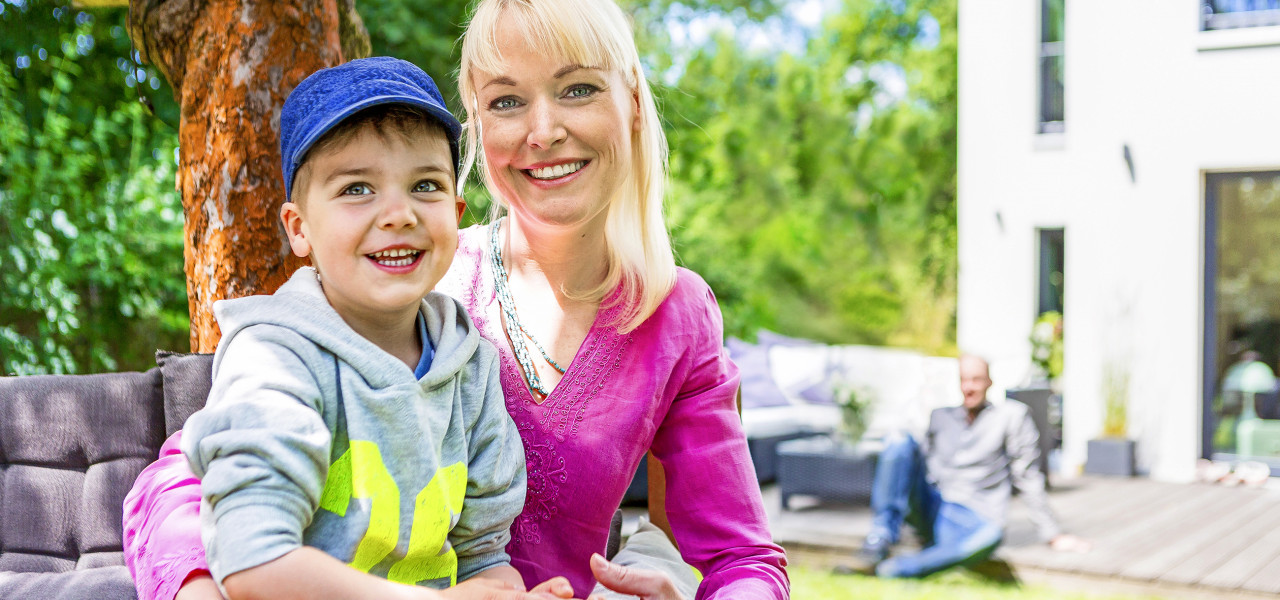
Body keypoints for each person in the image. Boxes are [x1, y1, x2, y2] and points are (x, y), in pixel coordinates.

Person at [122, 1, 790, 599]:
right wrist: (197, 583)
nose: (544, 129)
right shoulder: (409, 279)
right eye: (506, 102)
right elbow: (188, 477)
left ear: (634, 101)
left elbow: (742, 558)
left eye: (578, 88)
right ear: (476, 124)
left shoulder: (678, 315)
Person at [149, 56, 561, 600]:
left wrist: (505, 592)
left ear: (456, 214)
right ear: (300, 228)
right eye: (356, 189)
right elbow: (252, 560)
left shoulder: (471, 368)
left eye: (425, 185)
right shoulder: (276, 355)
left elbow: (483, 555)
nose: (398, 213)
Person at [848, 354, 1088, 578]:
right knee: (898, 440)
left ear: (990, 382)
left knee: (990, 537)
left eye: (976, 380)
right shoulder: (940, 416)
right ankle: (878, 540)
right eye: (964, 380)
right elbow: (913, 465)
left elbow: (1027, 476)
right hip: (934, 506)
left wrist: (1052, 533)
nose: (969, 387)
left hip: (976, 515)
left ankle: (895, 569)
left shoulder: (1011, 417)